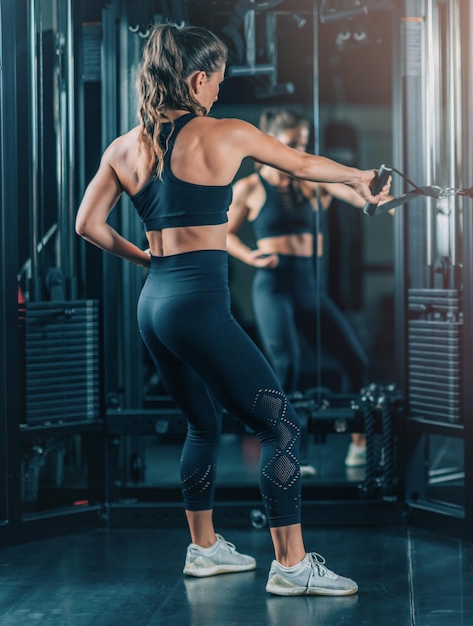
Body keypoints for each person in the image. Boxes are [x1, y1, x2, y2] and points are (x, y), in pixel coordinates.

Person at [75, 23, 389, 597]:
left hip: (155, 305)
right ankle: (292, 566)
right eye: (216, 81)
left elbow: (87, 225)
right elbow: (302, 163)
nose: (218, 92)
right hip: (197, 305)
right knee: (281, 426)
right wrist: (360, 176)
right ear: (197, 79)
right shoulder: (225, 135)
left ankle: (203, 549)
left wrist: (143, 257)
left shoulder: (124, 146)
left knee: (203, 421)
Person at [226, 109, 375, 470]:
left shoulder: (311, 183)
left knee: (357, 362)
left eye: (304, 145)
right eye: (293, 144)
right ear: (273, 143)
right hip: (274, 286)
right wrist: (251, 257)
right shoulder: (248, 187)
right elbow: (222, 233)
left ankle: (359, 442)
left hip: (311, 287)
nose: (300, 152)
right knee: (287, 367)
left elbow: (354, 196)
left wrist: (376, 200)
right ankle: (287, 454)